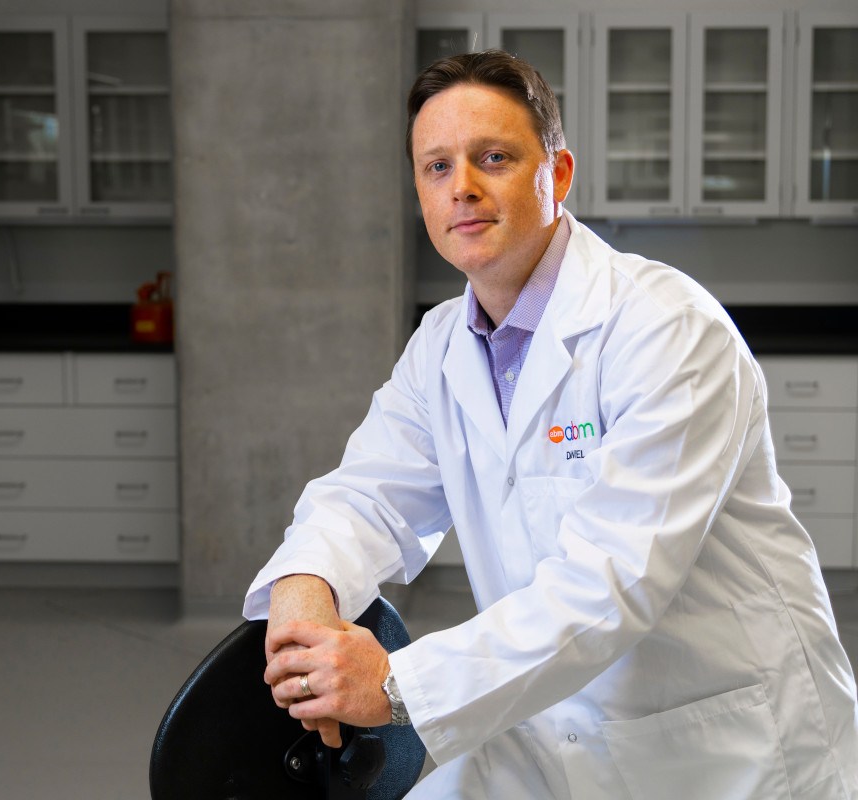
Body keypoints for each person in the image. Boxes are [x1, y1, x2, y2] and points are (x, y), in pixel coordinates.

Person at [244, 49, 858, 799]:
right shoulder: (441, 344)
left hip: (722, 743)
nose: (461, 187)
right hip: (543, 728)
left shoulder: (666, 330)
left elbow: (612, 582)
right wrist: (305, 589)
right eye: (436, 167)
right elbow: (365, 495)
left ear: (557, 176)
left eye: (493, 157)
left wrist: (396, 684)